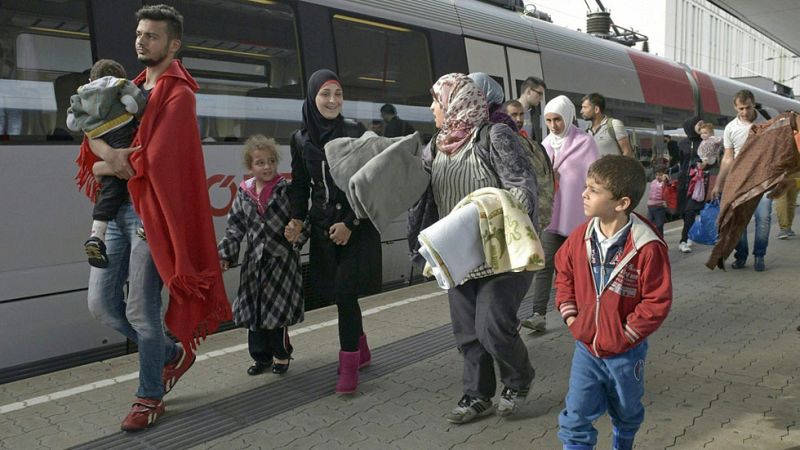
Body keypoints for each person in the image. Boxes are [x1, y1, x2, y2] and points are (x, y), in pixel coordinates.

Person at [80, 4, 230, 431]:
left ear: (173, 44)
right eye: (140, 34)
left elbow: (155, 161)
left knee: (141, 309)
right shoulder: (126, 88)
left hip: (153, 213)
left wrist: (103, 163)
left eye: (153, 36)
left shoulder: (179, 94)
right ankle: (167, 352)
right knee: (101, 304)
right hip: (118, 207)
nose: (142, 41)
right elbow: (96, 141)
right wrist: (107, 158)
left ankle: (149, 397)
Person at [419, 73, 538, 424]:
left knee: (491, 327)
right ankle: (477, 395)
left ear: (455, 104)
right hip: (457, 253)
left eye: (436, 102)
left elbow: (522, 188)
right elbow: (419, 187)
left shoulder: (495, 136)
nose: (432, 109)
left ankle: (519, 378)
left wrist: (490, 216)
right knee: (468, 333)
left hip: (499, 251)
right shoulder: (437, 144)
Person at [555, 155, 672, 450]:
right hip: (587, 349)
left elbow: (656, 301)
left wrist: (626, 335)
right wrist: (571, 317)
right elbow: (564, 275)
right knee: (575, 417)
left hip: (626, 353)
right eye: (586, 186)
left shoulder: (647, 247)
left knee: (627, 411)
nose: (584, 193)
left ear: (621, 203)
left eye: (593, 190)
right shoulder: (580, 237)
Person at [284, 70, 381, 395]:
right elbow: (299, 185)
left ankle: (349, 367)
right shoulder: (300, 138)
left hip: (355, 226)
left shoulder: (355, 131)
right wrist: (297, 220)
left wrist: (351, 223)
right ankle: (362, 350)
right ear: (312, 97)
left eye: (338, 94)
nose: (333, 100)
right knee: (342, 296)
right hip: (324, 226)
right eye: (325, 94)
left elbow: (370, 183)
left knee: (343, 293)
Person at [218, 135, 304, 376]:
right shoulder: (244, 194)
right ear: (250, 166)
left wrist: (296, 234)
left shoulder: (286, 190)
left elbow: (300, 222)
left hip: (282, 262)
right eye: (260, 163)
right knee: (254, 314)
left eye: (270, 161)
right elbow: (235, 227)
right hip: (254, 263)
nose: (266, 167)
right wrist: (226, 255)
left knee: (277, 316)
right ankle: (260, 357)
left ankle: (281, 355)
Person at [521, 95, 599, 332]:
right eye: (549, 120)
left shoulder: (586, 143)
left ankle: (584, 313)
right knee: (544, 265)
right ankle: (538, 315)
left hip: (577, 218)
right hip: (551, 216)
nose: (553, 125)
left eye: (557, 120)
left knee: (577, 267)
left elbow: (594, 179)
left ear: (568, 116)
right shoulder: (544, 145)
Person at [67, 59, 147, 268]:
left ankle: (96, 235)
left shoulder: (85, 97)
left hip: (132, 206)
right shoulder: (124, 89)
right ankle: (100, 236)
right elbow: (134, 104)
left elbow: (73, 121)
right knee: (101, 300)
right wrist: (105, 162)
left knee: (140, 297)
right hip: (130, 207)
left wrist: (100, 166)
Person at [712, 90, 769, 271]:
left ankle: (759, 255)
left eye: (748, 107)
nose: (745, 112)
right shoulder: (731, 128)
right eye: (741, 108)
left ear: (754, 104)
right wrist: (718, 183)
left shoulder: (767, 123)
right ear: (735, 107)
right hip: (740, 181)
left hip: (764, 180)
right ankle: (741, 255)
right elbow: (728, 157)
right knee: (739, 221)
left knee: (764, 219)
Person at [676, 118, 706, 254]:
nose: (702, 126)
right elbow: (679, 162)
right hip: (683, 182)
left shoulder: (705, 143)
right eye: (699, 124)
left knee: (690, 211)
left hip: (697, 182)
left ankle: (683, 240)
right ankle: (688, 233)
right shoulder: (682, 143)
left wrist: (704, 165)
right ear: (691, 126)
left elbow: (712, 161)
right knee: (683, 211)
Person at [580, 93, 634, 157]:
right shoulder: (587, 131)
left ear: (596, 109)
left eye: (585, 107)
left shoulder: (614, 124)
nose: (581, 111)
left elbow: (627, 152)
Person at [517, 76, 547, 140]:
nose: (541, 98)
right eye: (539, 94)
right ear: (528, 91)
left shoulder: (535, 113)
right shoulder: (507, 110)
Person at [647, 167, 669, 235]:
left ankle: (660, 239)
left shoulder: (665, 183)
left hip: (659, 207)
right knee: (649, 225)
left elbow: (666, 190)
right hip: (650, 206)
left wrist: (666, 180)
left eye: (660, 175)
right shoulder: (653, 182)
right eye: (656, 175)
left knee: (659, 225)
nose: (658, 177)